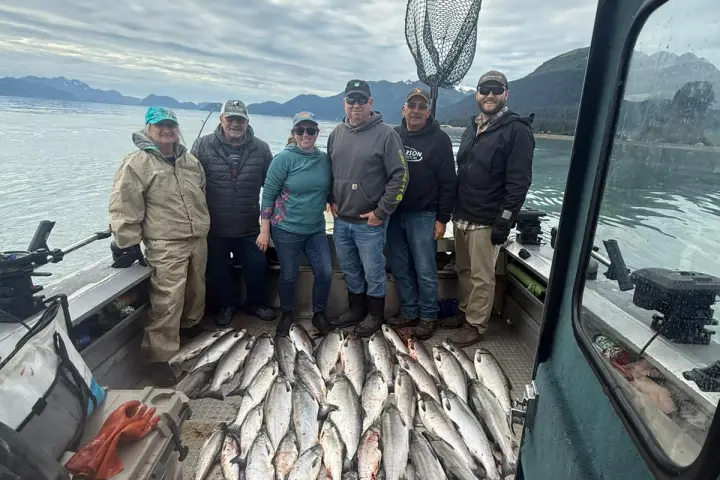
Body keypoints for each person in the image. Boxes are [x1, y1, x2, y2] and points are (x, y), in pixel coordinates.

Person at [108, 106, 210, 386]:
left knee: (196, 290)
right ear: (148, 129)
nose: (167, 130)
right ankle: (158, 359)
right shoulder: (136, 163)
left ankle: (190, 330)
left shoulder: (190, 161)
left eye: (171, 125)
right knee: (167, 300)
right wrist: (126, 243)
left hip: (197, 238)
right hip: (165, 243)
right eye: (160, 125)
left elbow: (201, 192)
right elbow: (124, 205)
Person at [446, 70, 535, 346]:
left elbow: (519, 183)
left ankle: (476, 325)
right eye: (485, 89)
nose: (490, 94)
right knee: (463, 269)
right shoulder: (474, 127)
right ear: (477, 94)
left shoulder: (517, 130)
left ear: (505, 94)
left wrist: (504, 221)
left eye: (497, 89)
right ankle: (464, 311)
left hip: (487, 220)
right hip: (462, 215)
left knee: (482, 276)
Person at [327, 79, 408, 337]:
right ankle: (356, 309)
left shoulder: (386, 134)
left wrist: (381, 211)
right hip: (342, 220)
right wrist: (331, 198)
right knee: (350, 268)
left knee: (373, 271)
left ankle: (375, 314)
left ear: (370, 103)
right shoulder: (335, 134)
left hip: (370, 222)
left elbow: (400, 175)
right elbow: (329, 171)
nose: (356, 105)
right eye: (351, 99)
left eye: (362, 100)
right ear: (344, 102)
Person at [191, 100, 276, 326]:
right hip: (214, 225)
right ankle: (225, 306)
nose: (235, 124)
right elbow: (190, 184)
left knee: (258, 266)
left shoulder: (261, 148)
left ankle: (255, 303)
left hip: (249, 225)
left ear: (247, 121)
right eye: (231, 119)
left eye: (240, 119)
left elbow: (271, 186)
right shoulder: (202, 145)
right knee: (217, 270)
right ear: (221, 120)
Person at [385, 88, 457, 340]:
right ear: (403, 109)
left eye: (421, 106)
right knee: (400, 266)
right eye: (411, 105)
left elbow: (449, 181)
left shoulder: (440, 140)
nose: (416, 111)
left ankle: (428, 316)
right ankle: (409, 311)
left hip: (424, 215)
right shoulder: (392, 135)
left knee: (425, 268)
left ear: (428, 111)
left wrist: (443, 218)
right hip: (393, 215)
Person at [257, 112, 333, 336]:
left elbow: (329, 187)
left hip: (315, 229)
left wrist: (332, 201)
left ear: (317, 133)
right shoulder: (283, 159)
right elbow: (268, 194)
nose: (305, 134)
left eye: (310, 130)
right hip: (286, 230)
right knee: (289, 274)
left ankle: (319, 313)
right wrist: (264, 230)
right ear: (293, 134)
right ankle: (287, 314)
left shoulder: (324, 160)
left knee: (325, 272)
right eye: (300, 130)